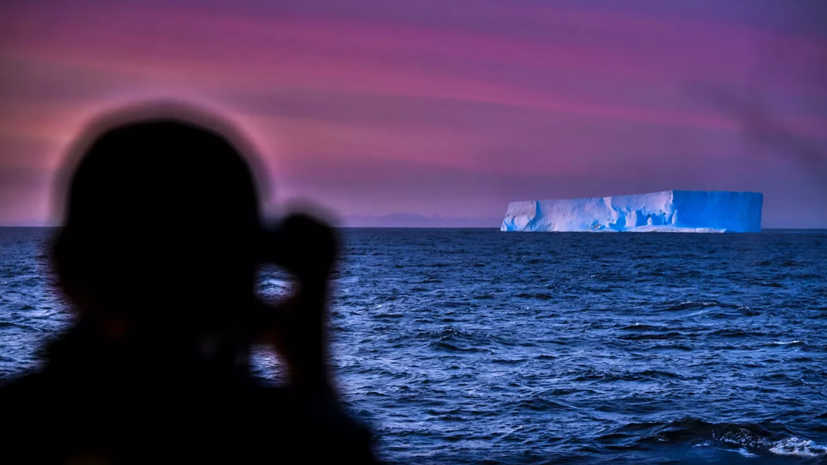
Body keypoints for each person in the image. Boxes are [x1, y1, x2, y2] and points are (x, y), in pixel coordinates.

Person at [0, 103, 379, 464]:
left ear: (64, 270)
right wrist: (311, 375)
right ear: (243, 280)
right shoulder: (295, 442)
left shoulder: (19, 426)